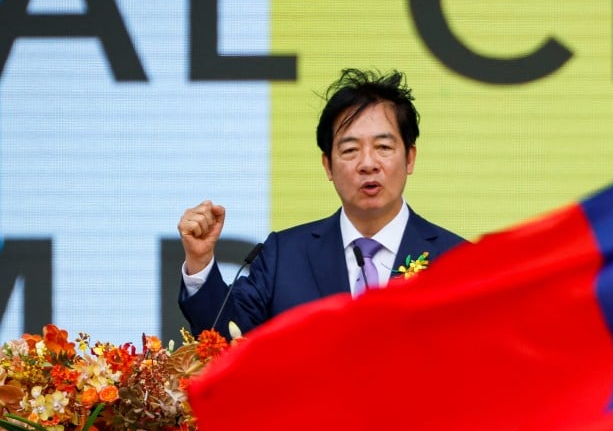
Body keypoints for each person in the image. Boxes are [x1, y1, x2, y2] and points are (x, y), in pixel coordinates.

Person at [177, 68, 466, 335]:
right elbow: (224, 338)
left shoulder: (458, 260)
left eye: (383, 147)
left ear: (410, 158)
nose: (368, 163)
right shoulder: (284, 257)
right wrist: (200, 261)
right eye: (350, 150)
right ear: (328, 165)